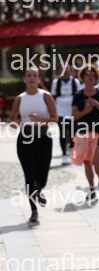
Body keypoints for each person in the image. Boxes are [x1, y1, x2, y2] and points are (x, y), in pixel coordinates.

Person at [9, 68, 58, 223]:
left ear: (38, 79)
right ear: (24, 78)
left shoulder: (45, 96)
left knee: (42, 174)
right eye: (29, 76)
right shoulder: (20, 98)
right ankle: (33, 210)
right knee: (29, 175)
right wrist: (15, 124)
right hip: (25, 138)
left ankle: (39, 189)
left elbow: (55, 118)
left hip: (43, 137)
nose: (31, 78)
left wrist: (40, 119)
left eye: (34, 76)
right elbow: (12, 118)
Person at [72, 64, 99, 201]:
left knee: (96, 160)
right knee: (87, 161)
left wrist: (96, 104)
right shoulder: (78, 95)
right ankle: (92, 188)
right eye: (87, 74)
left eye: (93, 74)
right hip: (83, 131)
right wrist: (86, 111)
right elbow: (74, 116)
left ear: (96, 77)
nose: (90, 77)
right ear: (82, 78)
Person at [51, 64, 82, 165]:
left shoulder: (75, 82)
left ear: (70, 70)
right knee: (63, 134)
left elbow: (79, 96)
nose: (65, 71)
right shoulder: (56, 82)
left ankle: (71, 149)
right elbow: (53, 97)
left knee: (73, 133)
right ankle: (64, 154)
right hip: (60, 112)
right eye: (63, 69)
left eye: (67, 69)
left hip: (72, 112)